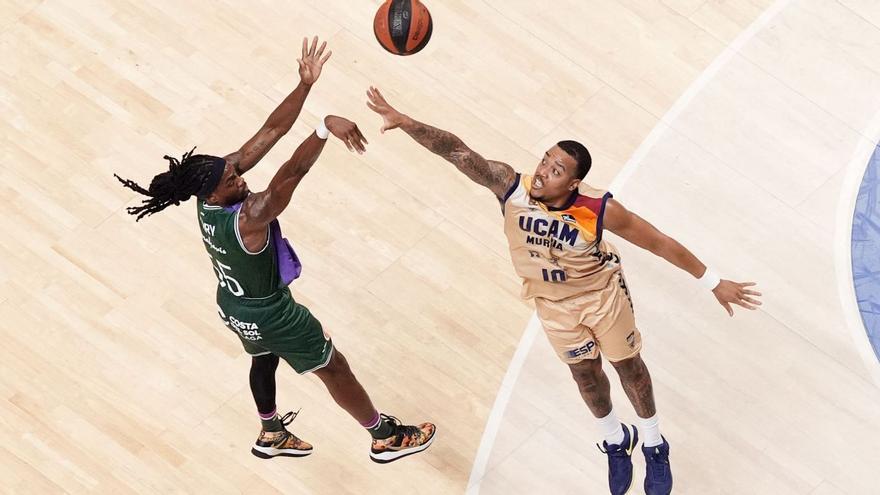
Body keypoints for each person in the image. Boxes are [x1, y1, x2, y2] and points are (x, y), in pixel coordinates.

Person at [366, 86, 761, 493]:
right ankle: (614, 438)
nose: (542, 171)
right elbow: (457, 152)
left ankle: (655, 443)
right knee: (586, 377)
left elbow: (659, 242)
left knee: (629, 369)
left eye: (556, 170)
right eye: (544, 160)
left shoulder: (598, 210)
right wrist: (408, 123)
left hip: (601, 296)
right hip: (552, 305)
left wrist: (713, 282)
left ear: (573, 183)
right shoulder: (510, 187)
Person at [114, 39, 434, 465]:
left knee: (264, 356)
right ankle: (385, 437)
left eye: (234, 170)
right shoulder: (249, 216)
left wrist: (304, 86)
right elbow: (291, 173)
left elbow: (269, 133)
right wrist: (322, 129)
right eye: (232, 177)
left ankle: (271, 431)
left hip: (233, 305)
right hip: (272, 312)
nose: (240, 175)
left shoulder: (206, 194)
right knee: (333, 366)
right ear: (215, 189)